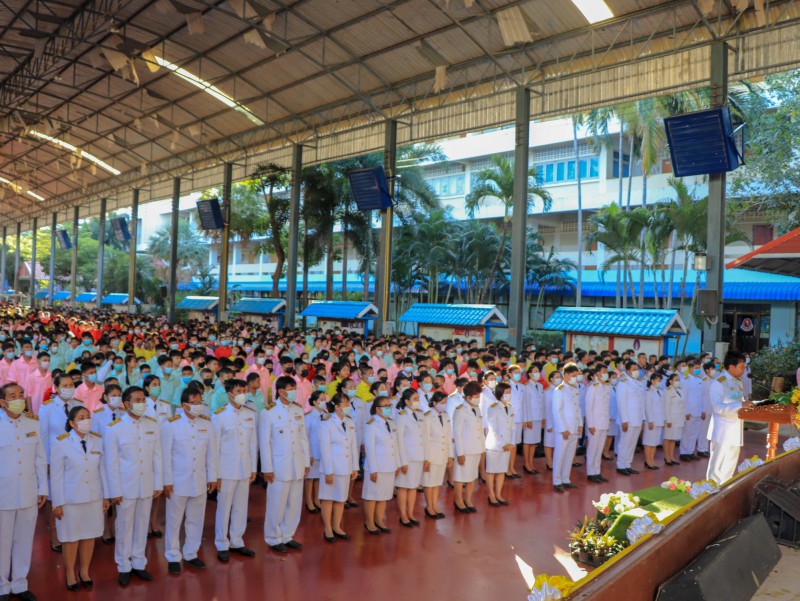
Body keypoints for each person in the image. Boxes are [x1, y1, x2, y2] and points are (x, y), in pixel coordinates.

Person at [103, 386, 163, 586]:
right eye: (137, 400)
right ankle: (123, 565)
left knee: (142, 524)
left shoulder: (152, 425)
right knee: (124, 526)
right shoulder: (114, 428)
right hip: (125, 487)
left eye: (143, 400)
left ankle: (139, 562)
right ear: (127, 404)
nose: (142, 403)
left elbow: (157, 457)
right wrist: (114, 491)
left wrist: (158, 483)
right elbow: (111, 463)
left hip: (146, 484)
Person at [160, 388, 219, 574]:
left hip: (199, 479)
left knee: (196, 519)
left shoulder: (207, 424)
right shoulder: (171, 425)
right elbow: (165, 456)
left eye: (200, 402)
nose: (198, 406)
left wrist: (212, 477)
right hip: (178, 481)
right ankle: (172, 555)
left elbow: (212, 454)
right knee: (174, 520)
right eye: (194, 403)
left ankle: (191, 552)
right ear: (184, 405)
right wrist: (166, 481)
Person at [50, 406, 109, 590]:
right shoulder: (61, 443)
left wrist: (106, 496)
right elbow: (56, 476)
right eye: (81, 418)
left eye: (88, 416)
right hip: (70, 500)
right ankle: (70, 573)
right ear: (72, 422)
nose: (86, 421)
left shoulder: (97, 440)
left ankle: (84, 571)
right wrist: (57, 503)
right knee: (71, 538)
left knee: (89, 535)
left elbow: (103, 470)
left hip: (93, 497)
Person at [0, 382, 47, 601]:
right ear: (2, 402)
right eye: (12, 396)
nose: (18, 399)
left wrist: (42, 488)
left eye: (20, 394)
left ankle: (19, 583)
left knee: (24, 539)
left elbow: (40, 459)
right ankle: (2, 586)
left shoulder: (33, 424)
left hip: (28, 491)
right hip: (3, 493)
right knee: (2, 541)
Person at [259, 375, 310, 554]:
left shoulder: (297, 410)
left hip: (297, 464)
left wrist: (306, 462)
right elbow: (264, 442)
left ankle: (287, 535)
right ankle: (273, 537)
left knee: (294, 503)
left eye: (294, 388)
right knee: (277, 503)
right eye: (290, 389)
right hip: (278, 465)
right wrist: (267, 468)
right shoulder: (268, 412)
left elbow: (303, 438)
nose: (294, 392)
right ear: (280, 391)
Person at [212, 379, 258, 562]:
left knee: (241, 506)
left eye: (244, 390)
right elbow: (214, 447)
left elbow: (252, 443)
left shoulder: (249, 414)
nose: (242, 394)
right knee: (224, 507)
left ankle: (237, 541)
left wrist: (253, 467)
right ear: (229, 394)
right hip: (226, 469)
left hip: (244, 467)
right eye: (239, 391)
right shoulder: (220, 416)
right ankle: (221, 543)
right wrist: (216, 474)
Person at [318, 391, 359, 542]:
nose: (348, 405)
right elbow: (325, 449)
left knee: (341, 499)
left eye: (348, 402)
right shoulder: (326, 423)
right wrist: (328, 471)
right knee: (328, 498)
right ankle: (328, 528)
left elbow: (353, 446)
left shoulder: (350, 422)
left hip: (345, 467)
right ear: (336, 407)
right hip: (331, 467)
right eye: (345, 403)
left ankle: (337, 526)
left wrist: (355, 467)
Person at [706, 351, 752, 485]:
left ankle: (725, 492)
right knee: (717, 467)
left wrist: (747, 406)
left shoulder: (738, 382)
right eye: (742, 367)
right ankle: (712, 493)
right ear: (731, 367)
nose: (744, 370)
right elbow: (718, 408)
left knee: (729, 467)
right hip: (722, 431)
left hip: (735, 429)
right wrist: (741, 405)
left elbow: (738, 401)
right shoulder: (718, 383)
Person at [362, 396, 400, 535]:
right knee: (372, 495)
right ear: (377, 409)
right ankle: (369, 522)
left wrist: (396, 464)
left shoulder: (391, 423)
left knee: (384, 495)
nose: (389, 408)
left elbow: (395, 446)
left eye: (389, 405)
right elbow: (370, 449)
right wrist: (373, 469)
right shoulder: (371, 424)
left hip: (389, 465)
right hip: (376, 466)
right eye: (385, 406)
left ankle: (379, 520)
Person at [394, 388, 426, 527]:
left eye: (418, 398)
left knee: (413, 487)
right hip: (407, 457)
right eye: (414, 399)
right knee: (403, 487)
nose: (417, 401)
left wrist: (425, 457)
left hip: (418, 456)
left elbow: (423, 437)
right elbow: (399, 440)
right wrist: (402, 462)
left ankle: (410, 513)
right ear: (407, 401)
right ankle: (403, 515)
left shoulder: (419, 414)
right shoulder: (401, 416)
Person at [452, 381, 485, 513]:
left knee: (472, 476)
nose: (478, 398)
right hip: (465, 450)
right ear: (469, 397)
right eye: (477, 396)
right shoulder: (460, 410)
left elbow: (479, 430)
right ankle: (458, 500)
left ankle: (468, 499)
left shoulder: (477, 409)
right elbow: (457, 433)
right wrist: (460, 453)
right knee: (460, 477)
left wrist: (482, 448)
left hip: (476, 448)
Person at [421, 391, 452, 519]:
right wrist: (426, 458)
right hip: (432, 455)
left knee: (437, 482)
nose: (444, 405)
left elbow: (448, 437)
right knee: (429, 482)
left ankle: (435, 506)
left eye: (445, 402)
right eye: (442, 402)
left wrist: (450, 456)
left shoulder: (445, 416)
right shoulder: (427, 417)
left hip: (443, 454)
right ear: (434, 403)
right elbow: (425, 439)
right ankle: (429, 507)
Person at [551, 365, 582, 492]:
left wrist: (580, 424)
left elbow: (577, 408)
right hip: (564, 429)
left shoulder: (574, 389)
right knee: (560, 455)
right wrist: (563, 429)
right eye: (573, 375)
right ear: (566, 375)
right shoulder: (559, 390)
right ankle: (557, 481)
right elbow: (557, 411)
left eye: (576, 375)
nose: (575, 378)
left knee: (569, 455)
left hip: (574, 427)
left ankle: (565, 479)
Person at [484, 382, 515, 506]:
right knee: (492, 471)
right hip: (495, 445)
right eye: (506, 392)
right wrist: (503, 444)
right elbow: (493, 429)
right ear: (500, 393)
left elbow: (512, 427)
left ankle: (498, 494)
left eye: (509, 392)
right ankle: (491, 495)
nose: (508, 395)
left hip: (507, 445)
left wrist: (511, 443)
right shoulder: (493, 408)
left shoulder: (510, 407)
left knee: (501, 471)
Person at [615, 361, 644, 476]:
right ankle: (621, 465)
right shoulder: (623, 383)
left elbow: (641, 402)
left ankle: (628, 464)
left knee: (632, 443)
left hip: (637, 418)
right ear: (627, 371)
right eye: (634, 369)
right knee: (625, 442)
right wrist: (624, 420)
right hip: (628, 419)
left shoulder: (639, 383)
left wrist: (643, 418)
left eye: (637, 369)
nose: (636, 371)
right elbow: (621, 403)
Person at [584, 366, 610, 483]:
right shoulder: (593, 387)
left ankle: (597, 471)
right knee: (592, 449)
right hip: (595, 423)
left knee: (599, 449)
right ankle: (591, 473)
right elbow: (588, 407)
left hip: (603, 423)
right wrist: (590, 425)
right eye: (604, 372)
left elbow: (606, 407)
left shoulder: (606, 387)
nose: (606, 374)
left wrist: (607, 422)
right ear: (598, 373)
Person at [303, 390, 327, 514]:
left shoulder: (327, 415)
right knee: (310, 478)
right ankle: (309, 501)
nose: (324, 402)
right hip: (312, 451)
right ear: (315, 402)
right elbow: (305, 437)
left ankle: (317, 499)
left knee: (319, 478)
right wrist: (309, 454)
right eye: (321, 399)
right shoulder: (308, 417)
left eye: (324, 399)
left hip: (323, 452)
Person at [679, 361, 705, 461]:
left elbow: (702, 397)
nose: (697, 370)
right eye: (695, 368)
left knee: (694, 433)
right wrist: (685, 412)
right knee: (686, 433)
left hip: (698, 411)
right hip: (689, 412)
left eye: (699, 368)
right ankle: (683, 452)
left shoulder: (700, 380)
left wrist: (703, 410)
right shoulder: (685, 381)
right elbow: (684, 397)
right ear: (690, 368)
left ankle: (690, 451)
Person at [522, 364, 544, 475]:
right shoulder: (526, 386)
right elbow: (526, 404)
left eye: (538, 371)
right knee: (527, 441)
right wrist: (527, 419)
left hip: (538, 417)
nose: (537, 373)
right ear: (530, 374)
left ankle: (531, 463)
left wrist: (543, 417)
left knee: (534, 442)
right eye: (535, 371)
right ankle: (526, 464)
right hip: (530, 417)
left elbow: (541, 403)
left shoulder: (540, 386)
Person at [643, 372, 665, 470]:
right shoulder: (648, 392)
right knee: (649, 442)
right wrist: (650, 421)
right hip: (652, 421)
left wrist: (663, 419)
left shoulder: (660, 392)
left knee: (655, 442)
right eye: (658, 380)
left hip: (659, 420)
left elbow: (662, 407)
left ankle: (652, 460)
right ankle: (648, 461)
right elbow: (648, 408)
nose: (660, 382)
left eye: (660, 380)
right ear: (652, 381)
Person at [662, 373, 685, 466]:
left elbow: (682, 405)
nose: (677, 382)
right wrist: (668, 420)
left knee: (673, 438)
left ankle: (671, 456)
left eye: (678, 380)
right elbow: (666, 407)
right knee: (668, 438)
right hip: (671, 419)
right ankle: (667, 457)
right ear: (670, 381)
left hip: (678, 418)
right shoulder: (667, 391)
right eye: (675, 380)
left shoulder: (680, 391)